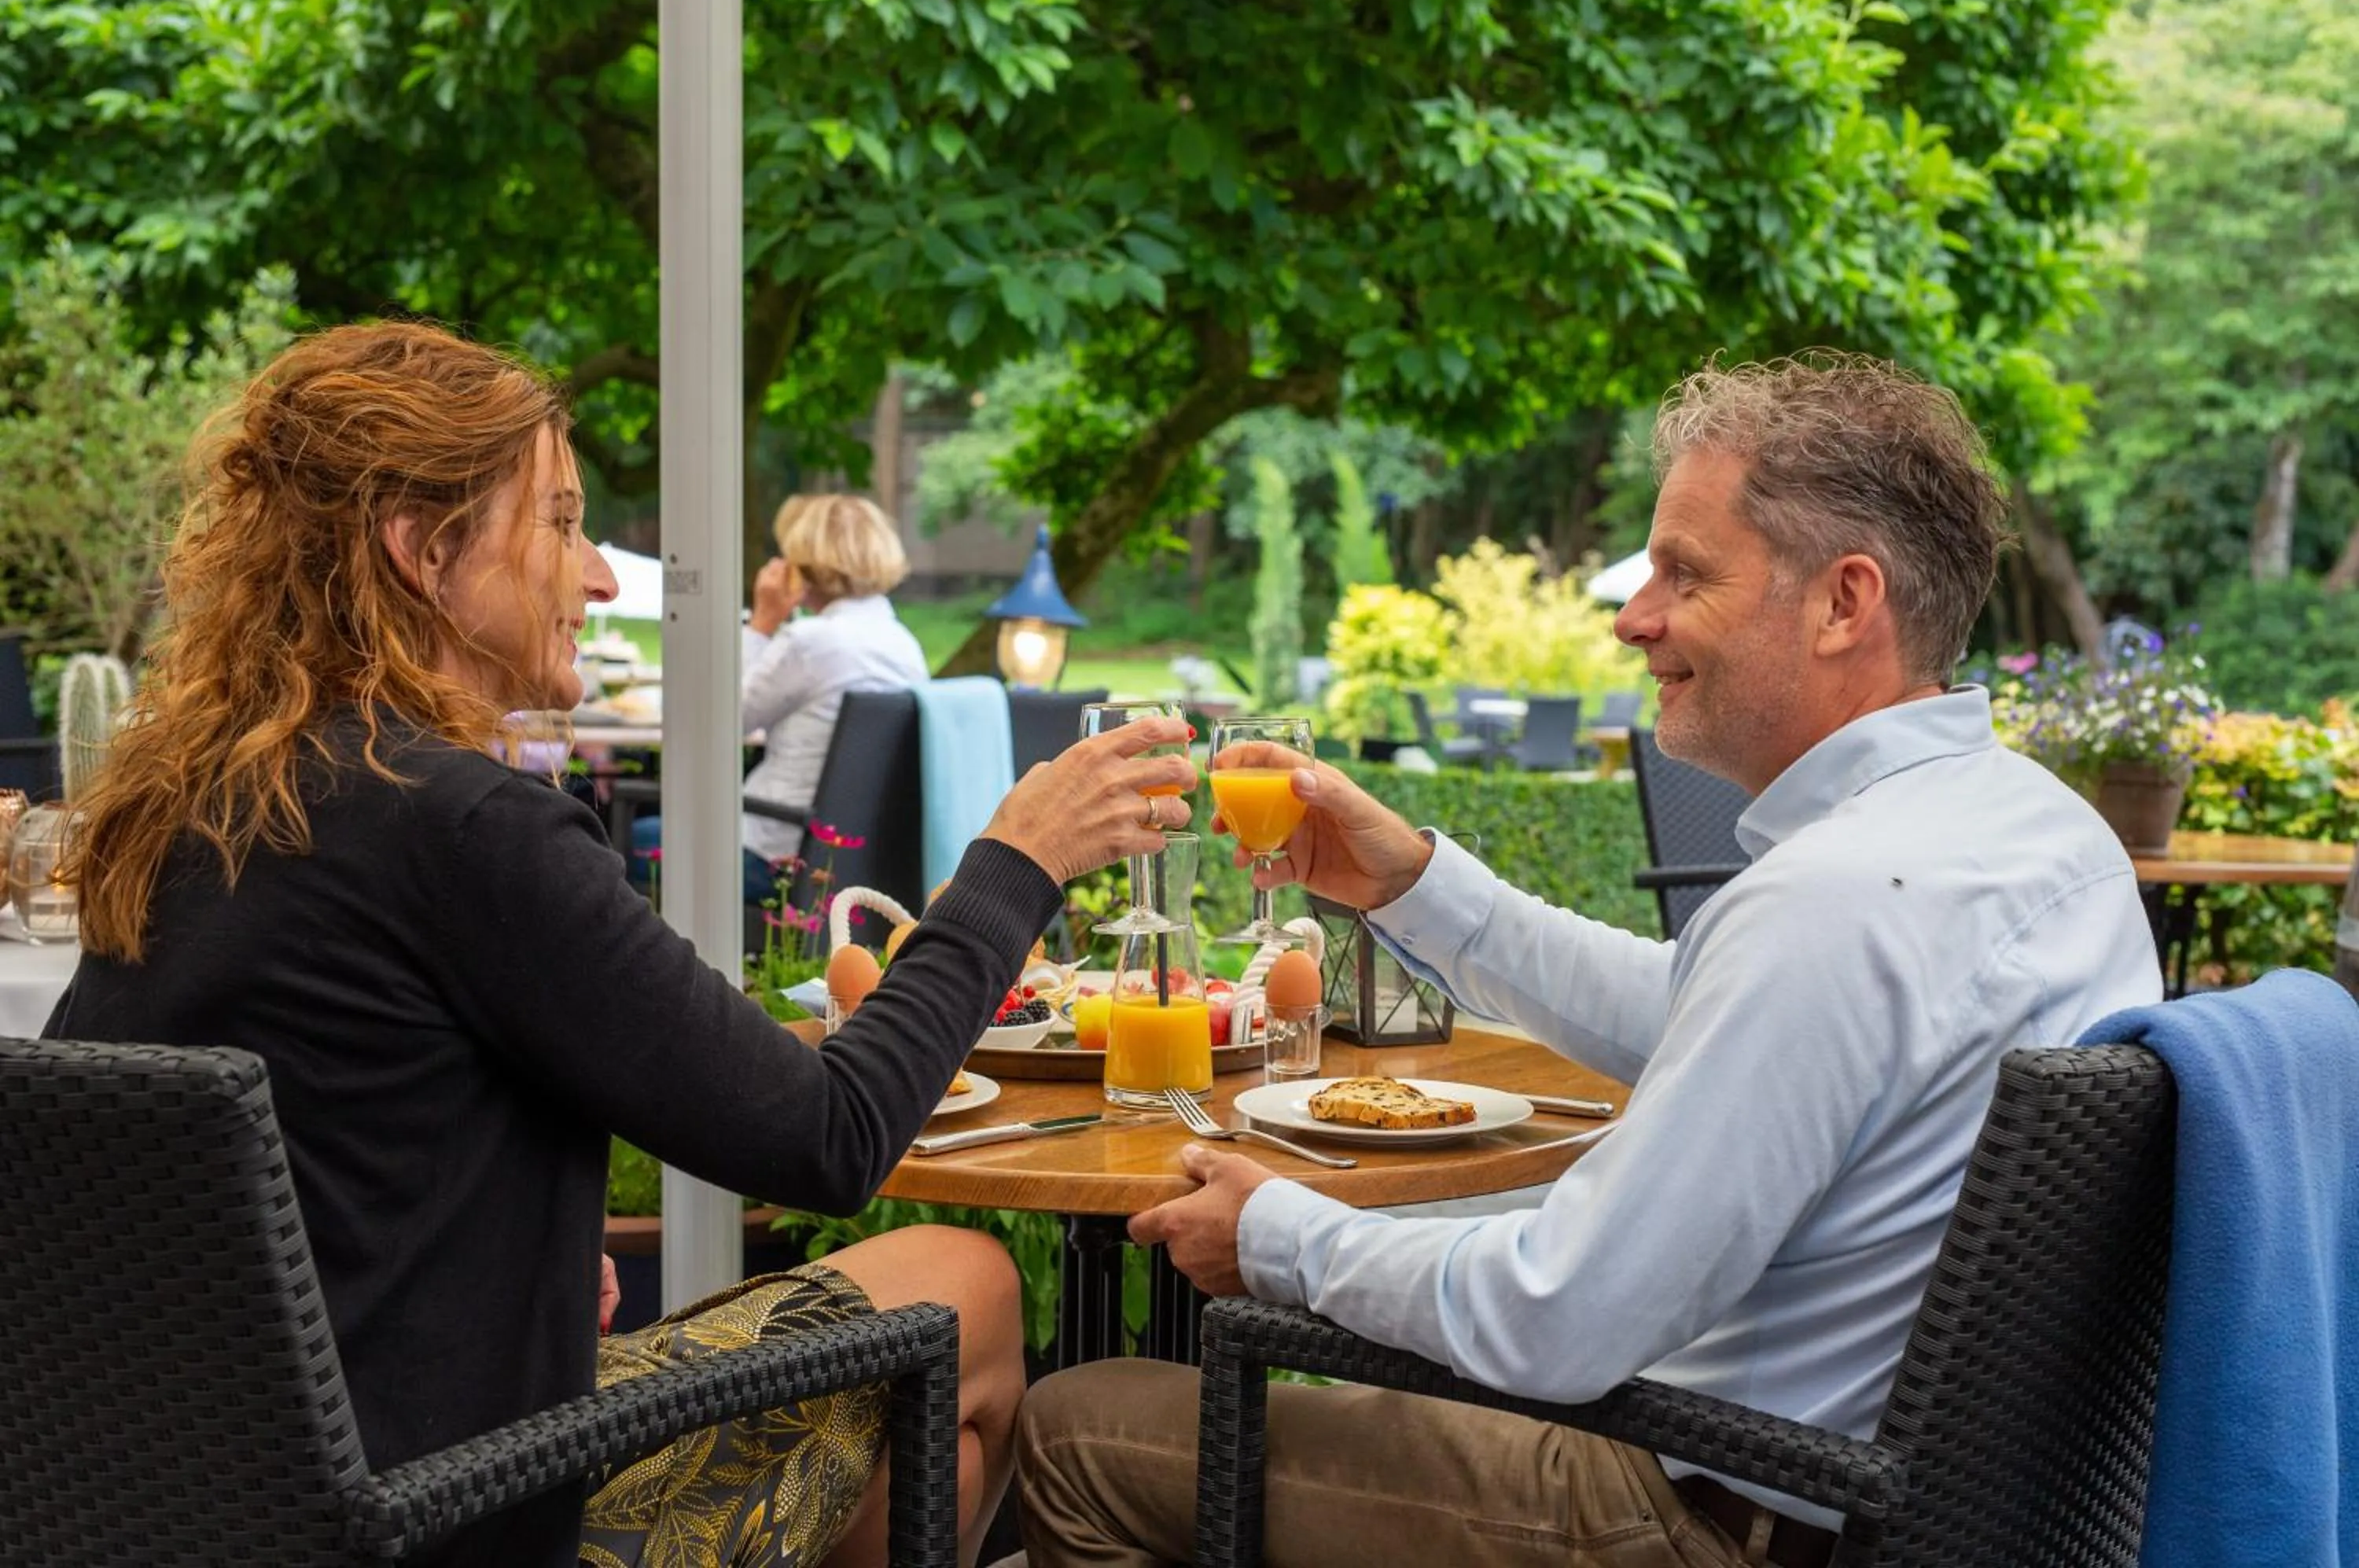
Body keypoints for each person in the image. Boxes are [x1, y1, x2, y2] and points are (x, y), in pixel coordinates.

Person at [42, 321, 1196, 1568]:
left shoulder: (194, 798)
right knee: (965, 1285)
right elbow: (828, 1139)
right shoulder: (464, 825)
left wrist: (512, 1269)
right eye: (560, 522)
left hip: (201, 1497)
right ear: (424, 552)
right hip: (446, 1510)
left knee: (933, 1449)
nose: (598, 577)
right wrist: (1013, 867)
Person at [1016, 354, 2165, 1568]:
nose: (1632, 618)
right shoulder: (2045, 837)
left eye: (1686, 573)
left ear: (1845, 603)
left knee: (1081, 1429)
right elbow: (1696, 1015)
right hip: (1929, 1511)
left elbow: (1557, 1319)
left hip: (1713, 1516)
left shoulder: (1834, 905)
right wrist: (1412, 882)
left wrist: (1282, 1242)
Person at [627, 493, 929, 905]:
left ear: (805, 563)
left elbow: (720, 720)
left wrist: (763, 621)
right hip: (849, 854)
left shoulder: (812, 641)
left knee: (626, 835)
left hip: (771, 850)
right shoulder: (905, 646)